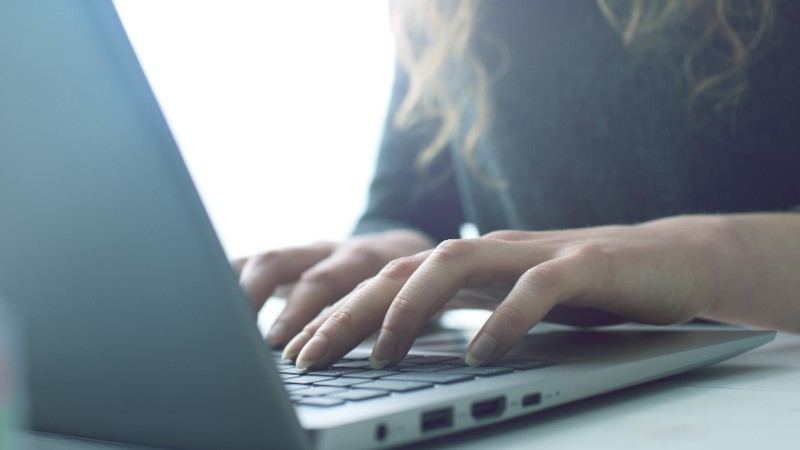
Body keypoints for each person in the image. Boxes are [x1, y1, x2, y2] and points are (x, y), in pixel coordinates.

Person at [236, 0, 800, 370]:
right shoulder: (439, 12)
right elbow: (407, 203)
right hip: (561, 372)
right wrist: (393, 256)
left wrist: (713, 254)